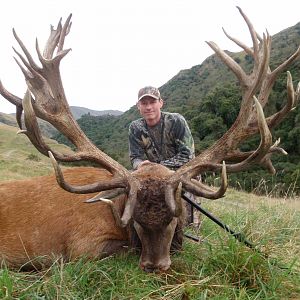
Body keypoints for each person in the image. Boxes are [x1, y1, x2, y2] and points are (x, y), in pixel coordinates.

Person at [128, 86, 197, 224]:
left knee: (185, 221)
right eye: (144, 103)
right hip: (151, 178)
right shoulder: (135, 127)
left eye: (152, 102)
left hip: (180, 174)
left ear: (161, 103)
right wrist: (139, 165)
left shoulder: (176, 121)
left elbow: (187, 156)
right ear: (138, 106)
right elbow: (135, 157)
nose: (148, 107)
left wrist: (157, 167)